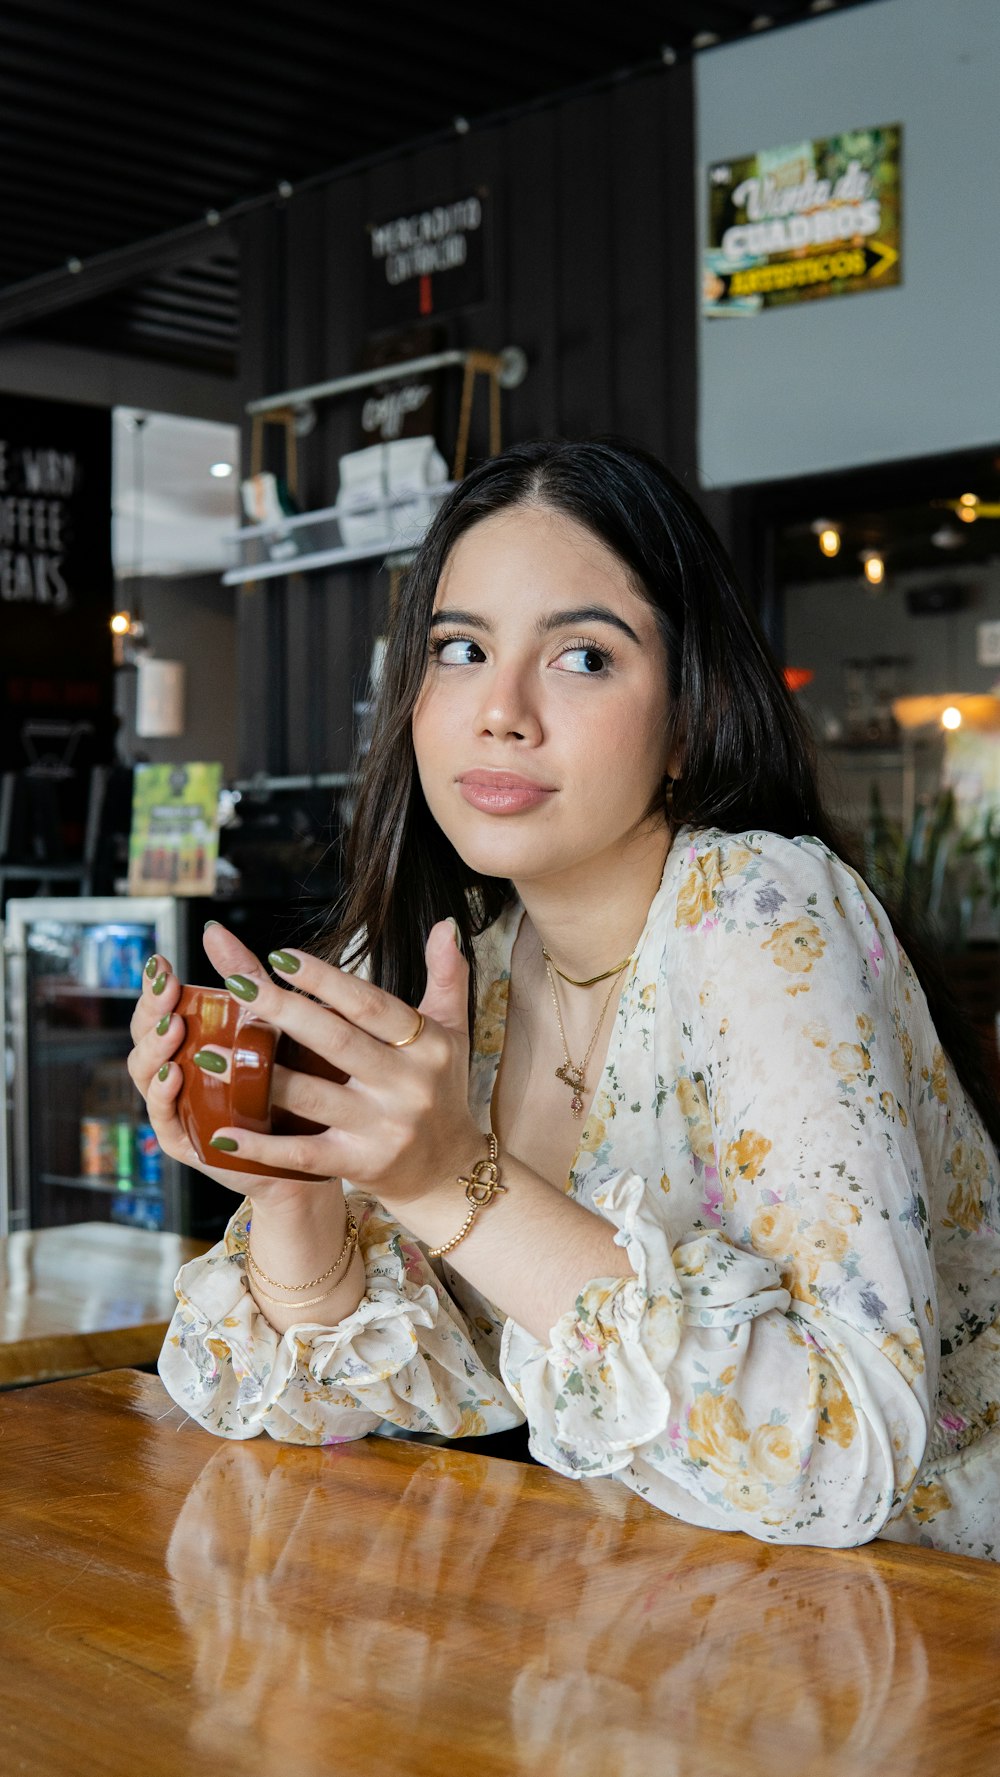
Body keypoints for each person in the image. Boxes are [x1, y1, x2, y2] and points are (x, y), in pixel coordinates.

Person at [131, 438, 1000, 1559]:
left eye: (582, 657)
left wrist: (451, 1180)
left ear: (686, 717)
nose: (501, 710)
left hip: (920, 1651)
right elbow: (346, 1407)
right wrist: (293, 1194)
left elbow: (845, 1457)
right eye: (459, 649)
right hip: (635, 1637)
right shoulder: (467, 968)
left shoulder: (757, 911)